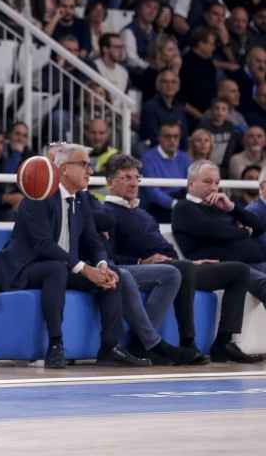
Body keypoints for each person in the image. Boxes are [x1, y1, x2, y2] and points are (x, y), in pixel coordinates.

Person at [0, 143, 149, 369]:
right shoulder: (37, 194)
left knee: (115, 275)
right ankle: (55, 345)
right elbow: (44, 245)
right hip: (26, 267)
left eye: (90, 165)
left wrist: (102, 265)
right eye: (84, 165)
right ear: (63, 169)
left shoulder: (81, 198)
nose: (90, 171)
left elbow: (93, 240)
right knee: (55, 268)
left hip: (65, 266)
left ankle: (110, 347)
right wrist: (85, 269)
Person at [101, 154, 254, 364]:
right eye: (127, 178)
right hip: (148, 270)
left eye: (137, 177)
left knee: (239, 271)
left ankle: (223, 342)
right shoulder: (106, 212)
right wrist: (141, 262)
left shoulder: (143, 213)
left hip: (178, 266)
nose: (134, 183)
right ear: (110, 182)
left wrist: (190, 263)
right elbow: (109, 257)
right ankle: (187, 341)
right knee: (181, 268)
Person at [172, 159, 266, 362]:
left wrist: (232, 207)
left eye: (217, 182)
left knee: (242, 270)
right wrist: (243, 232)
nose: (214, 187)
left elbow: (258, 227)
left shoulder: (220, 206)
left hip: (247, 264)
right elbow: (217, 232)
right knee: (243, 273)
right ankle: (224, 343)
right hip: (207, 268)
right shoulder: (184, 208)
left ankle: (223, 344)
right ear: (191, 183)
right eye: (207, 182)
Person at [140, 70, 190, 151]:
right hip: (154, 152)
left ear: (178, 86)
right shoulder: (149, 107)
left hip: (177, 154)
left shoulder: (179, 108)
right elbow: (153, 138)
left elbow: (184, 137)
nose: (170, 85)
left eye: (173, 82)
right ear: (158, 85)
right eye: (165, 82)